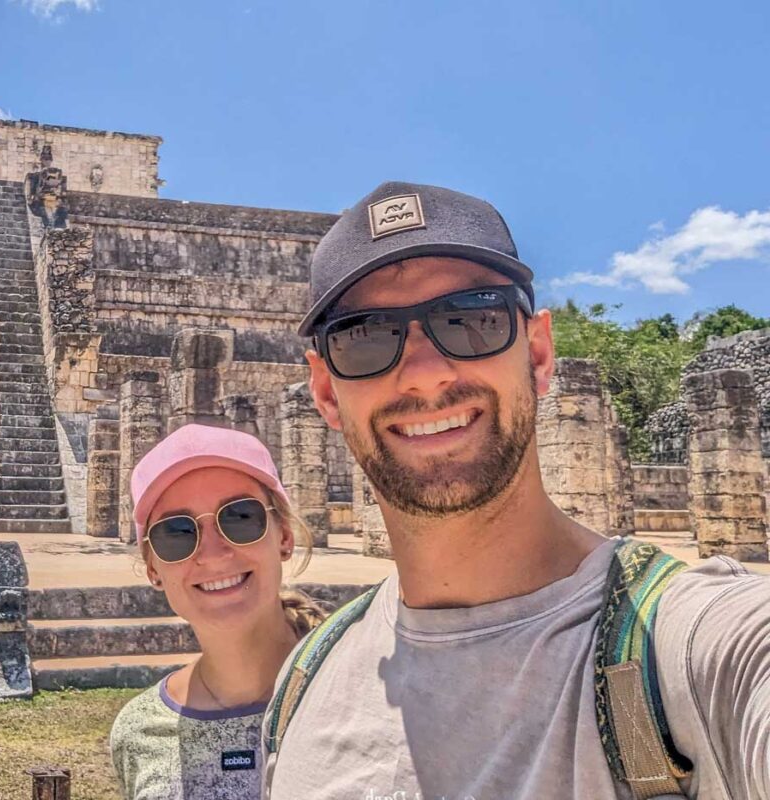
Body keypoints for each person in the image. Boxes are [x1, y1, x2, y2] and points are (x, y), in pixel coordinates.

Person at [261, 181, 770, 799]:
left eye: (472, 318)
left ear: (538, 352)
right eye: (364, 336)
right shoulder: (305, 682)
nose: (425, 375)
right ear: (324, 392)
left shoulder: (704, 649)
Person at [109, 423, 328, 800]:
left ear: (284, 537)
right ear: (153, 569)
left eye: (240, 517)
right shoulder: (140, 733)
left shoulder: (359, 688)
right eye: (176, 532)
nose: (212, 554)